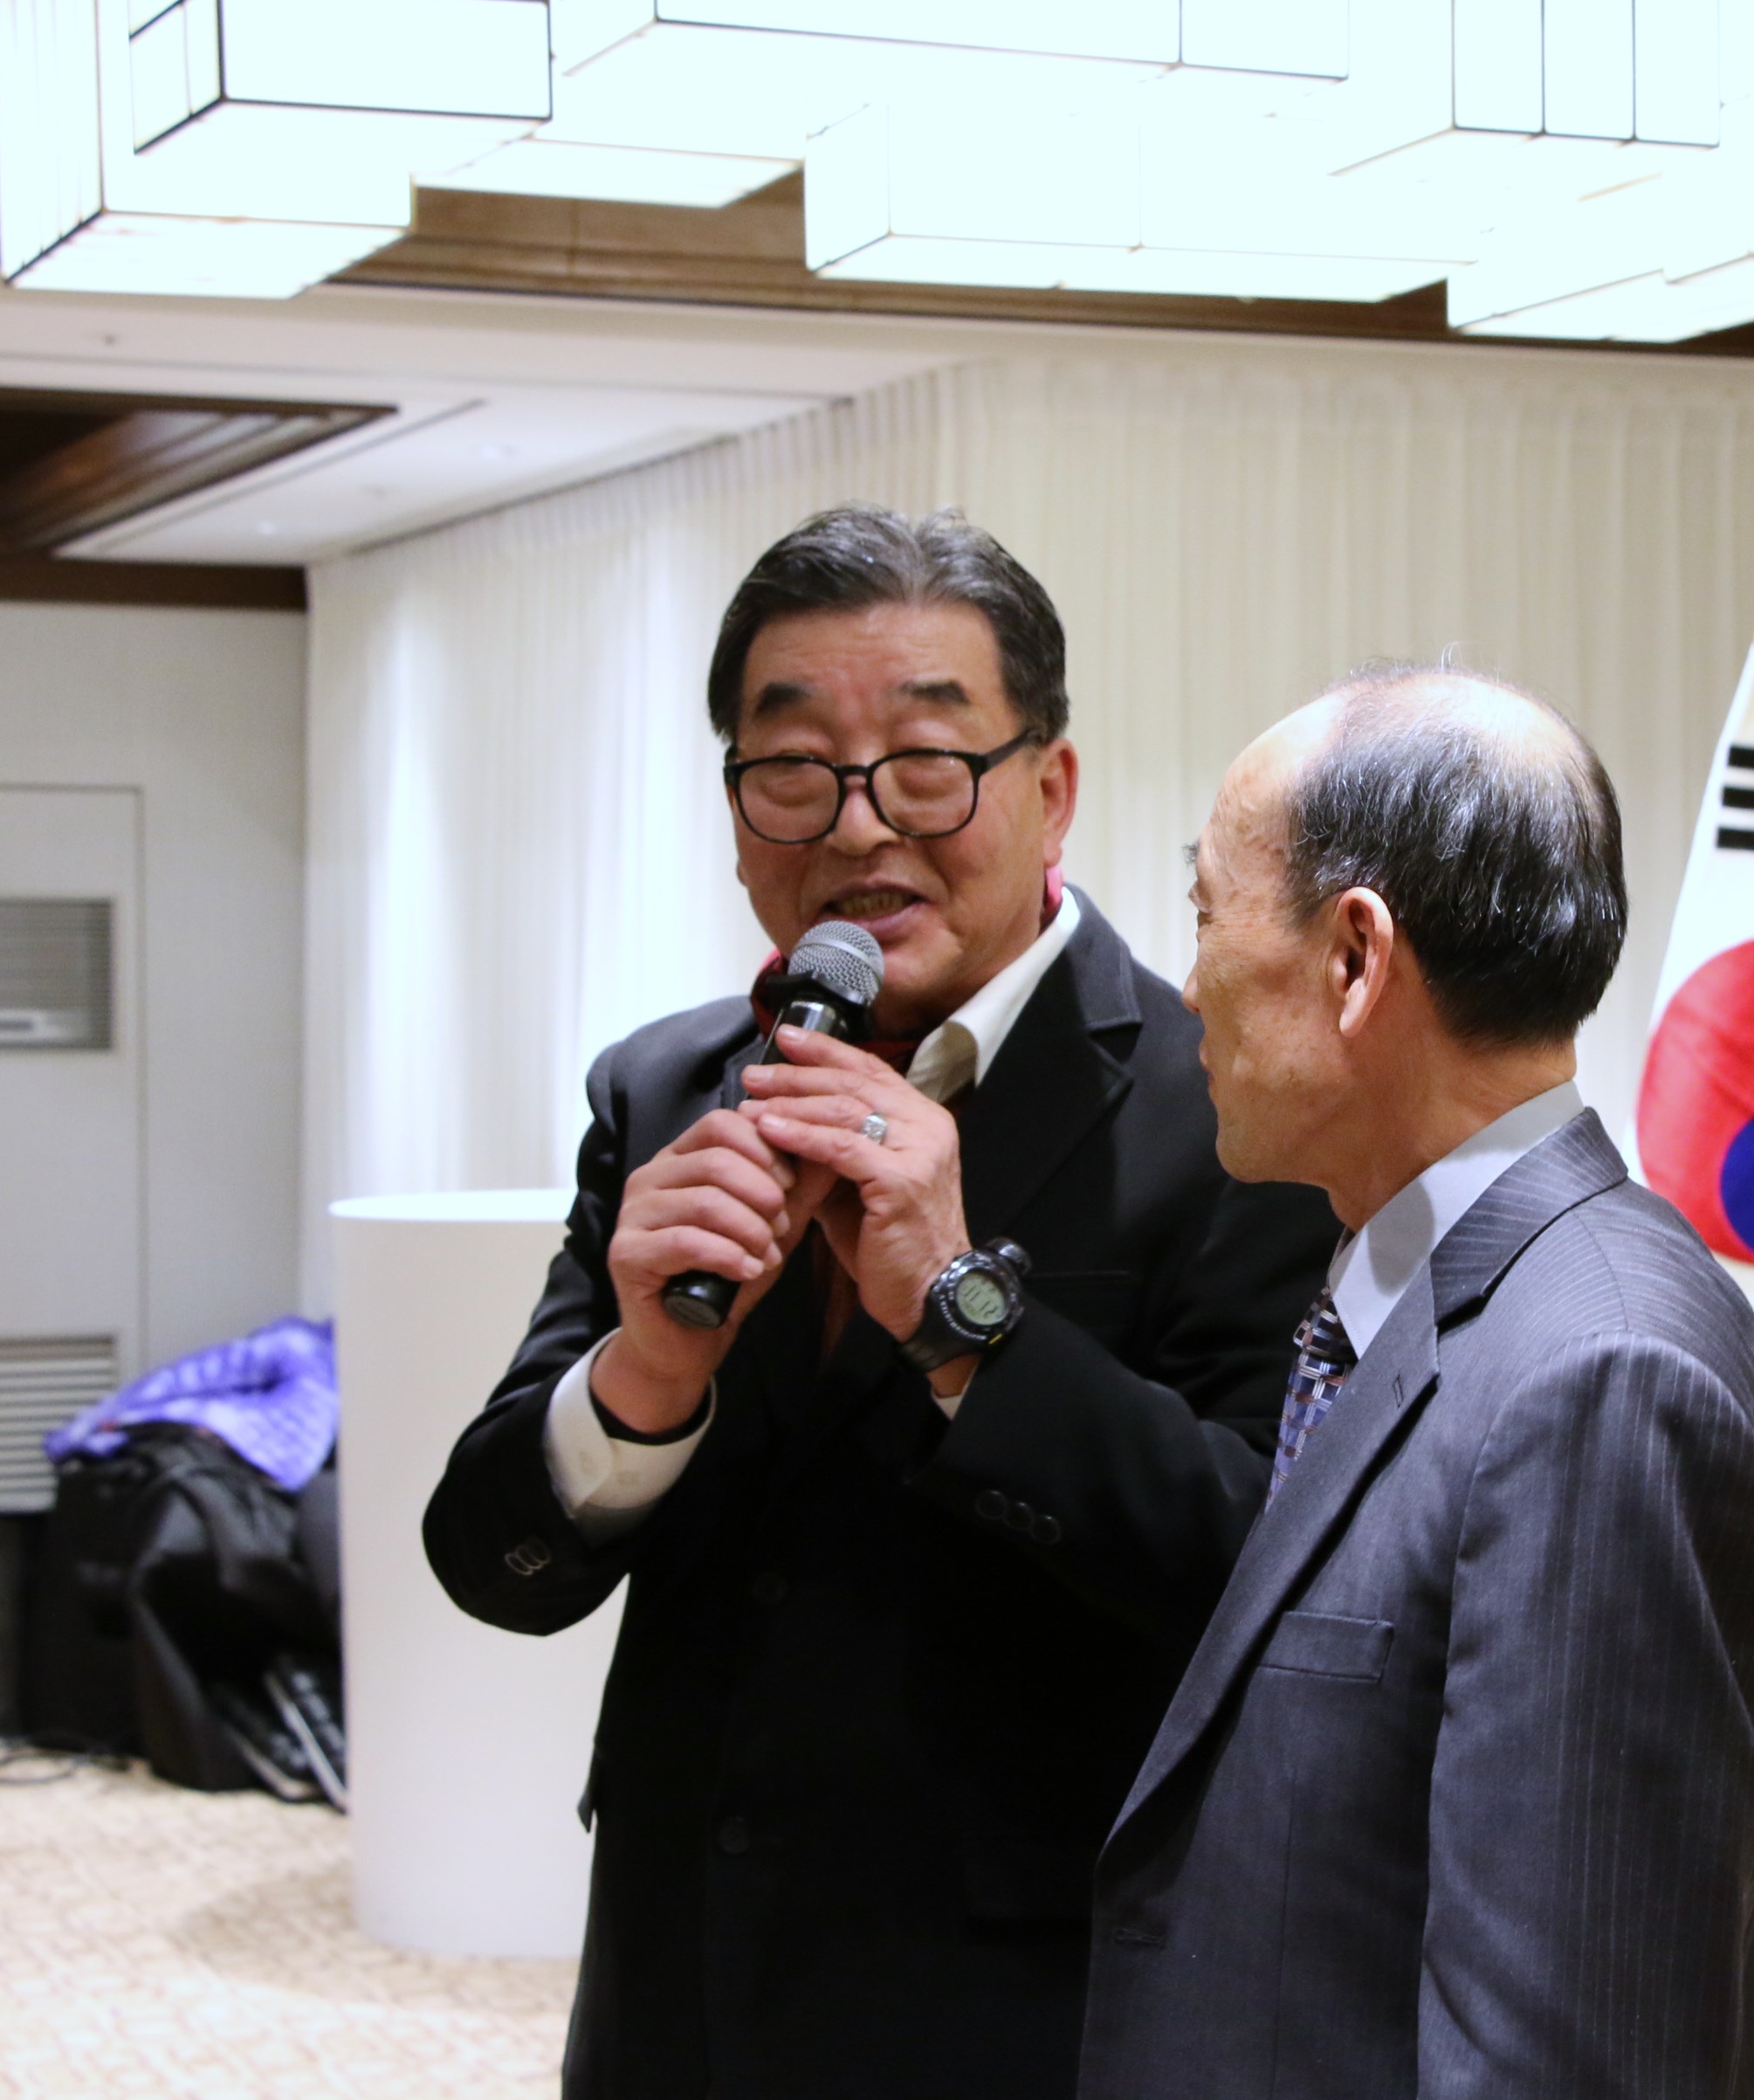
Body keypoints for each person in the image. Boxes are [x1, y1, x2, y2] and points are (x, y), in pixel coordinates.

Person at [422, 506, 1341, 2100]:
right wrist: (644, 1379)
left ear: (1051, 788)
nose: (858, 829)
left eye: (926, 764)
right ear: (735, 809)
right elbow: (490, 1559)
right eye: (793, 769)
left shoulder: (1232, 1109)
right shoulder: (665, 1090)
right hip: (677, 1994)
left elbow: (1262, 1573)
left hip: (1029, 2012)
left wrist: (965, 1324)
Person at [1081, 666, 1754, 2100]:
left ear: (1353, 957)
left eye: (1205, 914)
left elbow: (1562, 2055)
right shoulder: (1435, 1300)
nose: (1187, 987)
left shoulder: (1597, 1373)